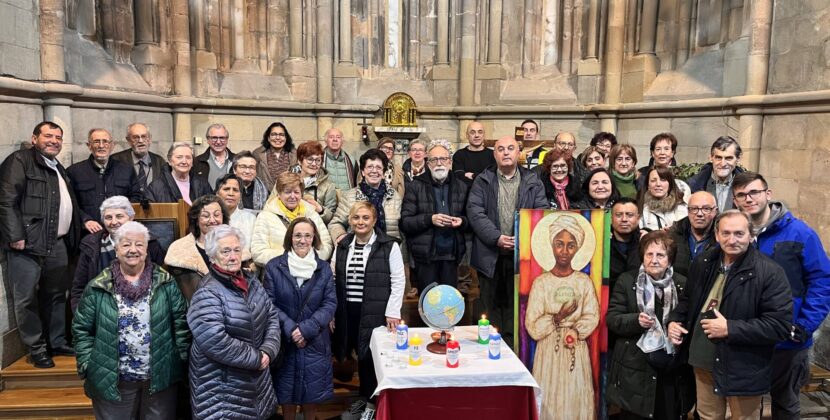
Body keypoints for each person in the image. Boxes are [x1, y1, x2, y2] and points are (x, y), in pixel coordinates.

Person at [667, 210, 792, 420]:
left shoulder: (769, 272)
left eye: (738, 233)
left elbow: (779, 325)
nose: (731, 240)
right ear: (716, 235)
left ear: (751, 235)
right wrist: (674, 320)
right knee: (707, 416)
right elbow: (688, 301)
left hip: (742, 366)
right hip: (702, 360)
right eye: (725, 233)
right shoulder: (703, 262)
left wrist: (730, 329)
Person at [731, 171, 830, 419]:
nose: (748, 198)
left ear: (768, 194)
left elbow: (822, 280)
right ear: (735, 201)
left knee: (785, 405)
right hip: (749, 337)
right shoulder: (734, 234)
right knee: (746, 406)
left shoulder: (799, 233)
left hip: (788, 338)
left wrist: (804, 324)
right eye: (741, 195)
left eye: (754, 192)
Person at [72, 221, 189, 419]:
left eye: (139, 244)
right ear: (116, 250)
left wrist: (178, 360)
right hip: (112, 379)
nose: (132, 250)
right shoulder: (97, 286)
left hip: (160, 378)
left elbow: (181, 326)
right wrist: (88, 365)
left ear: (146, 250)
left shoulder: (166, 283)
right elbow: (81, 330)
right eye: (126, 245)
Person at [0, 121, 81, 368]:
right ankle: (36, 348)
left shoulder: (57, 167)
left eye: (58, 137)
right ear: (34, 138)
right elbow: (5, 200)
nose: (54, 140)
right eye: (48, 135)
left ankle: (56, 341)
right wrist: (15, 236)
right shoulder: (20, 161)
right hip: (27, 244)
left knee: (56, 295)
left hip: (57, 243)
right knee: (26, 299)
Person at [188, 224, 281, 419]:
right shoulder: (207, 291)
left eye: (236, 250)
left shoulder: (251, 281)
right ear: (213, 256)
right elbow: (214, 339)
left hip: (256, 384)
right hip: (222, 390)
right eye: (226, 251)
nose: (233, 256)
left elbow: (271, 316)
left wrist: (268, 350)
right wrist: (257, 358)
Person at [468, 135, 547, 347]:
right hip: (489, 255)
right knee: (489, 308)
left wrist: (521, 240)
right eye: (500, 149)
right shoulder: (482, 180)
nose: (505, 152)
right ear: (494, 154)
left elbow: (540, 212)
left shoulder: (532, 181)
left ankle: (513, 351)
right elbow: (475, 212)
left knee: (517, 307)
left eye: (510, 148)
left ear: (518, 152)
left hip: (521, 256)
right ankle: (488, 351)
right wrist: (497, 238)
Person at [607, 230, 694, 420]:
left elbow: (691, 321)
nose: (654, 260)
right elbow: (612, 319)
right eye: (649, 254)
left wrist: (679, 328)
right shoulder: (627, 281)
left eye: (660, 255)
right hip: (634, 366)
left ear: (670, 260)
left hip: (671, 367)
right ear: (642, 257)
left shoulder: (682, 284)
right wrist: (635, 320)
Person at [332, 202, 405, 420]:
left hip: (376, 311)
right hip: (348, 310)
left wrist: (393, 311)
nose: (360, 222)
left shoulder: (389, 245)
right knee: (359, 357)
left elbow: (399, 280)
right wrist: (333, 311)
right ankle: (364, 400)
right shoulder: (343, 244)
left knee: (373, 359)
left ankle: (374, 406)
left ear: (374, 220)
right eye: (356, 218)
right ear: (350, 221)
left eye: (365, 218)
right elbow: (334, 277)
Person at [525, 214, 599, 420]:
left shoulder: (583, 282)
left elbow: (592, 315)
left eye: (570, 245)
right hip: (548, 349)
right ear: (551, 246)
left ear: (577, 249)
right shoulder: (541, 283)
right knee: (549, 394)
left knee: (575, 396)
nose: (564, 251)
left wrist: (575, 330)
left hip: (575, 346)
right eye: (559, 244)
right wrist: (558, 317)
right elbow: (532, 325)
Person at [263, 218, 337, 420]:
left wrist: (305, 330)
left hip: (314, 340)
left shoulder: (323, 269)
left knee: (311, 396)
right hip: (286, 342)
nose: (302, 240)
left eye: (307, 235)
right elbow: (269, 304)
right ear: (290, 238)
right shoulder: (274, 267)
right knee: (286, 396)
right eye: (297, 235)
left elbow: (330, 303)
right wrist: (291, 329)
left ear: (314, 239)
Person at [71, 196, 165, 311]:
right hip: (100, 313)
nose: (114, 222)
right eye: (108, 217)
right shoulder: (90, 246)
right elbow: (79, 289)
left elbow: (162, 285)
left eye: (119, 216)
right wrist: (83, 317)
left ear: (131, 217)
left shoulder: (150, 244)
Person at [401, 139, 469, 291]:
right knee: (427, 305)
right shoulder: (415, 186)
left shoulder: (462, 186)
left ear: (450, 162)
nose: (439, 163)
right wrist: (429, 219)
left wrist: (462, 221)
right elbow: (405, 222)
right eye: (434, 159)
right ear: (428, 163)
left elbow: (471, 220)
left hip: (452, 255)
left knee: (449, 306)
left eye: (443, 159)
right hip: (426, 256)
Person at [66, 128, 141, 233]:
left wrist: (123, 217)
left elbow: (136, 197)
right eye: (96, 141)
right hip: (88, 234)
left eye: (105, 141)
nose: (101, 146)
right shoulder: (74, 172)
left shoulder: (126, 170)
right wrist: (85, 220)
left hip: (121, 231)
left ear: (112, 146)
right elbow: (70, 203)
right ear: (89, 146)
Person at [251, 172, 333, 266]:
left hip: (310, 271)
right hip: (279, 273)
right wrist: (291, 257)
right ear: (278, 193)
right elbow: (258, 253)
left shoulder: (311, 214)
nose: (293, 196)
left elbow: (327, 245)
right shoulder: (265, 216)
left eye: (296, 192)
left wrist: (308, 257)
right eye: (288, 192)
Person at [328, 149, 403, 245]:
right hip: (358, 250)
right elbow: (335, 223)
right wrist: (341, 237)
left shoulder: (395, 196)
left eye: (378, 167)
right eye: (370, 167)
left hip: (389, 251)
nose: (374, 171)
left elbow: (402, 230)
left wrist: (403, 257)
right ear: (363, 172)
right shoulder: (350, 196)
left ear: (384, 173)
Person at [164, 195, 230, 301]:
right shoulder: (179, 251)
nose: (212, 220)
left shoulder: (235, 247)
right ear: (196, 219)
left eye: (217, 215)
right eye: (206, 216)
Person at [668, 191, 718, 277]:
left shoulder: (722, 238)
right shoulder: (673, 236)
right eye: (694, 209)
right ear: (688, 211)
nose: (699, 214)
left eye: (706, 209)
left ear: (715, 211)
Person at [687, 136, 744, 212]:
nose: (723, 164)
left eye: (729, 158)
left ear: (738, 159)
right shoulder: (693, 185)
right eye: (718, 158)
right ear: (711, 158)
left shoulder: (747, 186)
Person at [145, 142, 212, 204]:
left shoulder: (203, 184)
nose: (184, 161)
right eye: (179, 157)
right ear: (170, 161)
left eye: (188, 157)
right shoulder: (156, 187)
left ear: (192, 162)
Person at [111, 123, 166, 196]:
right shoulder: (116, 160)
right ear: (128, 140)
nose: (140, 141)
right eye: (136, 137)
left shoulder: (159, 161)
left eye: (144, 136)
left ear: (149, 139)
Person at [636, 133, 690, 201]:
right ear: (652, 153)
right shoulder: (642, 173)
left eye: (666, 149)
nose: (662, 152)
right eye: (658, 149)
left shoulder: (682, 175)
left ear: (672, 153)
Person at [294, 141, 338, 224]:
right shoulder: (285, 180)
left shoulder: (328, 186)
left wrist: (321, 210)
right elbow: (271, 205)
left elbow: (332, 217)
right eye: (310, 159)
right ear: (300, 161)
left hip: (314, 227)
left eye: (318, 160)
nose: (314, 164)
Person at [214, 174, 257, 256]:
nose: (231, 193)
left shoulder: (250, 219)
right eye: (226, 189)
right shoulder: (211, 219)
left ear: (240, 196)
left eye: (235, 190)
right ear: (217, 194)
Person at [638, 167, 688, 231]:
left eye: (663, 180)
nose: (658, 184)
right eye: (653, 180)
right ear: (648, 186)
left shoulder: (682, 208)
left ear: (670, 184)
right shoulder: (642, 209)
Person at [254, 122, 297, 190]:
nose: (278, 137)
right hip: (265, 197)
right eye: (274, 134)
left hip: (290, 194)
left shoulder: (295, 154)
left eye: (281, 135)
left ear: (286, 138)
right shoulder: (258, 154)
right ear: (268, 138)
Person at [452, 121, 495, 186]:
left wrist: (472, 175)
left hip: (488, 194)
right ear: (467, 135)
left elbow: (493, 178)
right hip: (466, 194)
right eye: (472, 132)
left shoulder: (493, 154)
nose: (476, 135)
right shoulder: (459, 155)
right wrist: (482, 176)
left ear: (484, 135)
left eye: (480, 132)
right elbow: (458, 178)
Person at [609, 198, 642, 283]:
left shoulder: (645, 242)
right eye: (619, 215)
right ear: (610, 218)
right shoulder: (601, 243)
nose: (624, 219)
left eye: (629, 215)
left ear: (638, 218)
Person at [194, 123, 236, 188]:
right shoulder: (196, 162)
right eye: (214, 138)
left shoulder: (237, 160)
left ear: (227, 140)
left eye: (222, 138)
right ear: (208, 140)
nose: (218, 142)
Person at [322, 127, 358, 192]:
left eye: (338, 137)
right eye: (331, 137)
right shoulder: (319, 159)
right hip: (325, 200)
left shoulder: (352, 161)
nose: (335, 139)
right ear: (326, 141)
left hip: (346, 199)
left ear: (342, 141)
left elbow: (357, 184)